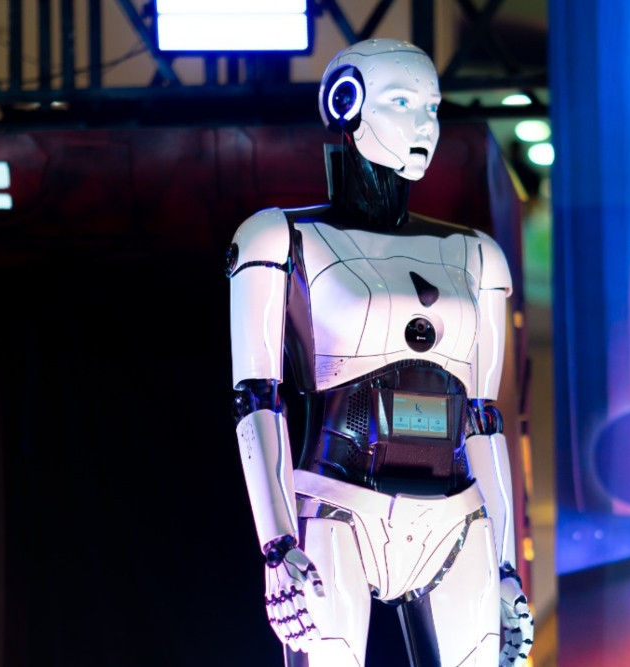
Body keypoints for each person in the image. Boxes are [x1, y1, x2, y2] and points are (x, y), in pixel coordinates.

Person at [227, 38, 534, 667]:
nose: (424, 124)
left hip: (458, 516)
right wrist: (277, 545)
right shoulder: (279, 237)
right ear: (347, 103)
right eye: (401, 102)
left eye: (432, 107)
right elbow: (257, 399)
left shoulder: (479, 256)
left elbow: (483, 419)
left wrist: (506, 568)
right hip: (337, 505)